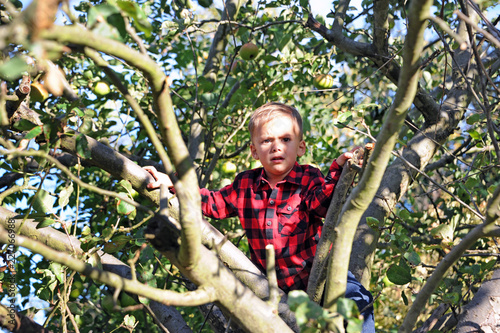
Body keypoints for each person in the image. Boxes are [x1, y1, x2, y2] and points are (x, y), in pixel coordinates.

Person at [144, 102, 374, 332]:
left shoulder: (308, 178)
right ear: (254, 151)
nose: (276, 147)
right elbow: (213, 202)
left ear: (301, 147)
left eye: (285, 139)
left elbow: (323, 205)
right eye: (266, 141)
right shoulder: (245, 185)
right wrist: (174, 184)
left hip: (323, 274)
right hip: (278, 292)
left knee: (359, 301)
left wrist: (339, 172)